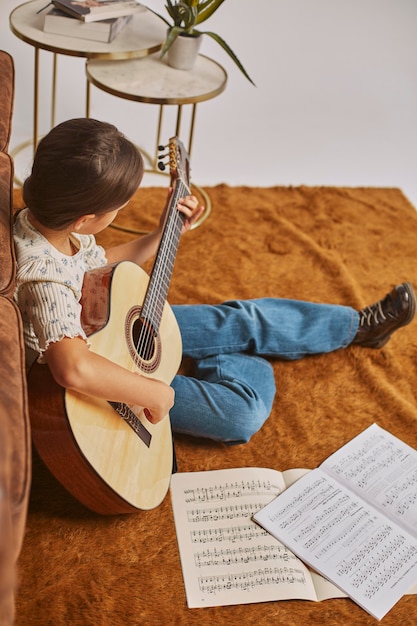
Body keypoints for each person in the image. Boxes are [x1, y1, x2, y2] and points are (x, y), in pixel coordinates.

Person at [13, 118, 416, 445]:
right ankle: (242, 356)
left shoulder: (49, 221)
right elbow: (74, 369)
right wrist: (158, 394)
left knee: (242, 319)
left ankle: (356, 327)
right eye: (119, 208)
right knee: (242, 413)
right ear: (85, 218)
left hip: (106, 319)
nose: (122, 211)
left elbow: (98, 265)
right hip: (98, 377)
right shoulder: (44, 278)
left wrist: (161, 233)